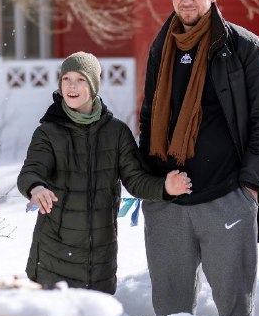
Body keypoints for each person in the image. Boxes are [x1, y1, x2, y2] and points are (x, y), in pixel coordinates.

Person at [137, 0, 259, 316]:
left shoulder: (245, 48)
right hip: (169, 203)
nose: (186, 0)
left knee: (233, 314)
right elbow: (148, 113)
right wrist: (151, 185)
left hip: (227, 198)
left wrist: (249, 188)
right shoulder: (163, 44)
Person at [17, 51, 192, 294]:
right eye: (66, 79)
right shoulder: (48, 132)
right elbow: (31, 170)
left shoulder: (116, 132)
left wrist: (165, 187)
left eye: (80, 79)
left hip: (98, 258)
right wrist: (36, 188)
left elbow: (135, 180)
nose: (71, 86)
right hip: (53, 254)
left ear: (93, 84)